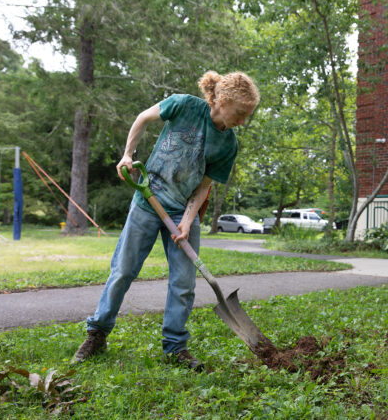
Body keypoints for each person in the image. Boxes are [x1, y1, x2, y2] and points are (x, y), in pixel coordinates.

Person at [71, 71, 260, 370]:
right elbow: (142, 119)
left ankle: (174, 347)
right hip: (148, 199)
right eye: (240, 114)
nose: (242, 121)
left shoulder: (228, 145)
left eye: (246, 116)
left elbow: (204, 185)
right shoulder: (183, 105)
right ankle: (97, 333)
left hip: (181, 210)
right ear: (221, 101)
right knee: (123, 271)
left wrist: (187, 220)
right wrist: (127, 155)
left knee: (184, 282)